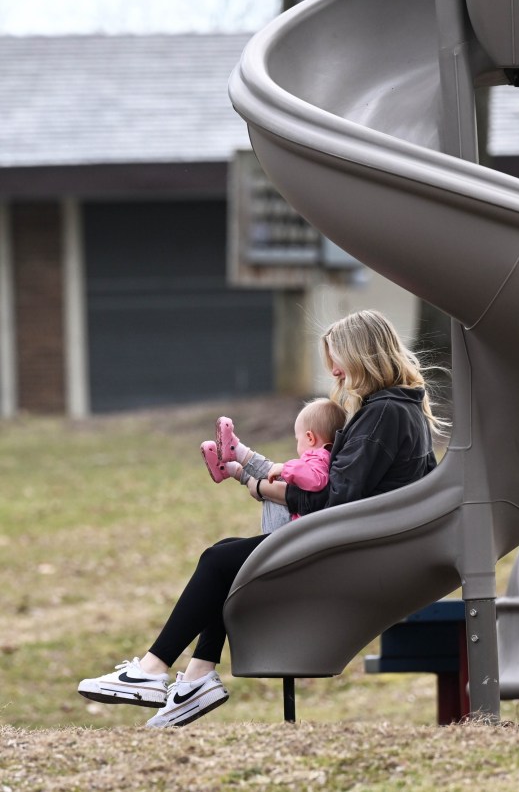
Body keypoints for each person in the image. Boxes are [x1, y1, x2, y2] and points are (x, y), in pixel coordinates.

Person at [77, 309, 441, 728]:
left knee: (219, 561)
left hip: (347, 550)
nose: (335, 373)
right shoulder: (398, 409)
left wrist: (265, 488)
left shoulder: (385, 412)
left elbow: (335, 499)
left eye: (338, 361)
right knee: (227, 556)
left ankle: (152, 671)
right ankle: (196, 678)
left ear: (364, 356)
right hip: (357, 543)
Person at [200, 397, 347, 533]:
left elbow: (317, 480)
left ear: (310, 438)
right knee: (275, 477)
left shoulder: (321, 456)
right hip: (293, 531)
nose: (297, 444)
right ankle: (230, 468)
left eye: (298, 439)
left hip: (290, 534)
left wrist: (285, 468)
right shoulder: (323, 458)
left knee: (275, 475)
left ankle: (236, 452)